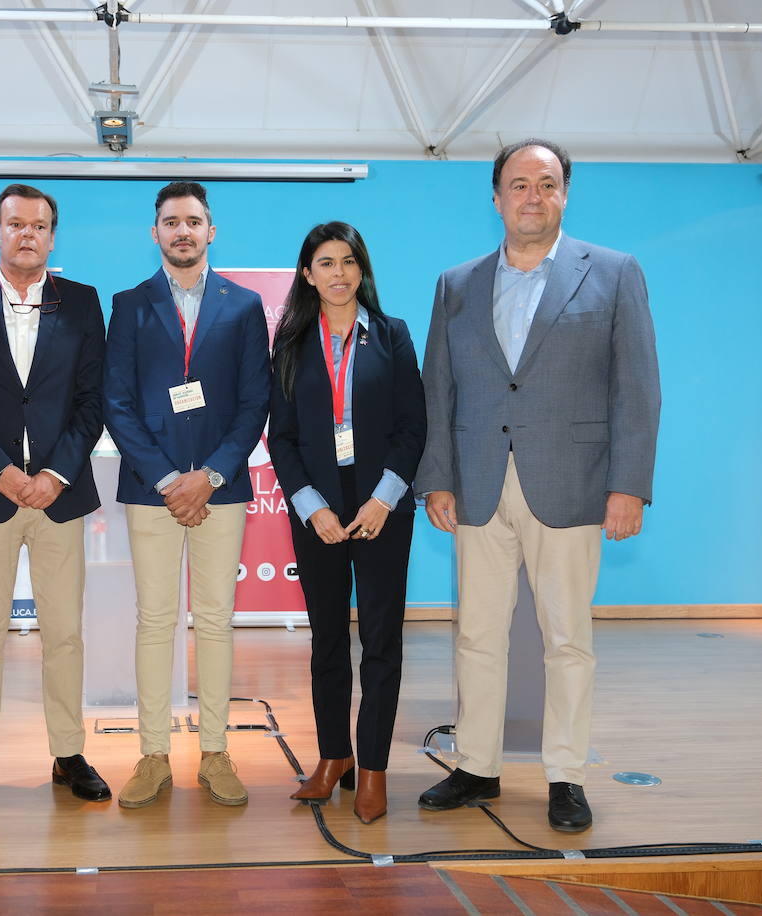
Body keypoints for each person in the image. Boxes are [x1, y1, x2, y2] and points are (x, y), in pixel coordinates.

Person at [415, 138, 660, 832]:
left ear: (564, 194)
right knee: (478, 635)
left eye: (546, 184)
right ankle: (477, 766)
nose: (532, 196)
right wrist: (436, 478)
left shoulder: (613, 273)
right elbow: (439, 389)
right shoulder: (456, 284)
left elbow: (638, 389)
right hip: (477, 486)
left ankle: (566, 776)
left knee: (567, 639)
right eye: (518, 184)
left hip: (575, 485)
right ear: (496, 198)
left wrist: (628, 486)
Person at [0, 183, 110, 813]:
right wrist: (2, 473)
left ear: (52, 237)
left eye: (40, 225)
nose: (28, 233)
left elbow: (94, 402)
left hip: (59, 496)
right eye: (16, 224)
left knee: (64, 633)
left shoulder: (82, 303)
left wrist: (55, 474)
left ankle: (68, 753)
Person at [103, 180, 271, 808]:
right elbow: (116, 402)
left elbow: (256, 401)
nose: (182, 231)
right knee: (155, 622)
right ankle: (152, 756)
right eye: (170, 221)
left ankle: (216, 753)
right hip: (153, 491)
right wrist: (171, 479)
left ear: (211, 231)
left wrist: (213, 475)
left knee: (218, 623)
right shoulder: (130, 304)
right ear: (156, 233)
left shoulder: (246, 305)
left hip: (220, 491)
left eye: (193, 221)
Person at [268, 222, 426, 824]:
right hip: (319, 509)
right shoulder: (289, 343)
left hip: (381, 505)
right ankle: (334, 758)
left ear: (362, 269)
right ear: (307, 274)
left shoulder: (393, 335)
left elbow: (414, 426)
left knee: (381, 641)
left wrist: (384, 499)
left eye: (349, 261)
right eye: (325, 263)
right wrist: (313, 507)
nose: (338, 273)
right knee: (328, 639)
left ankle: (374, 768)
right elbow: (280, 438)